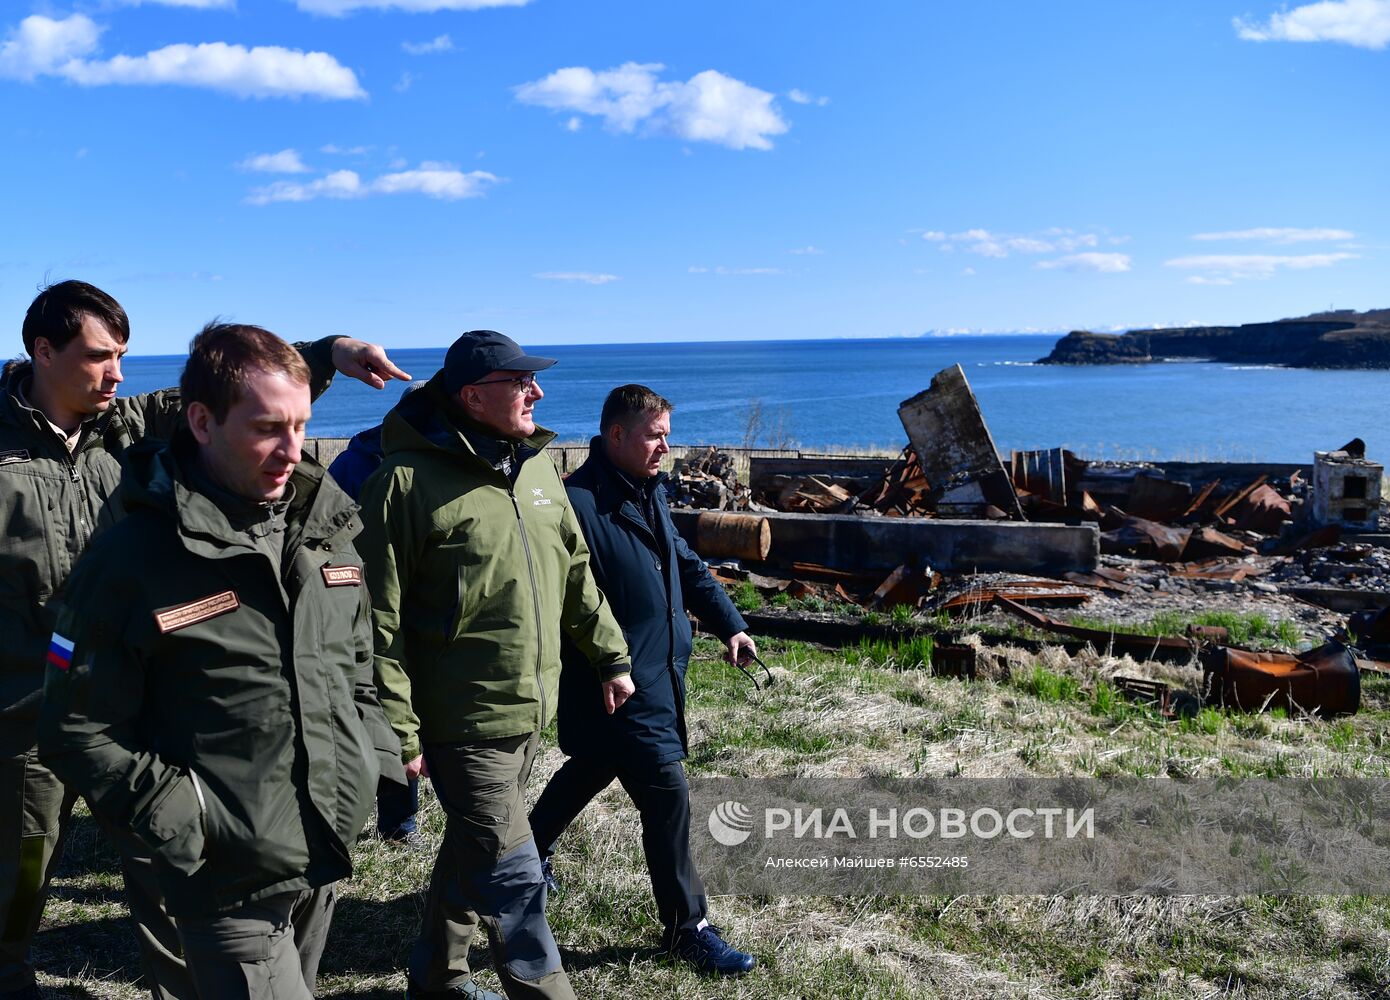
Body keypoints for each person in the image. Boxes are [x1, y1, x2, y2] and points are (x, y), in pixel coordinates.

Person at [0, 279, 408, 1000]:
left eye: (123, 355)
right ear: (42, 350)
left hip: (148, 696)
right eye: (99, 356)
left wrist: (334, 351)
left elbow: (236, 389)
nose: (118, 372)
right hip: (25, 707)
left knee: (171, 886)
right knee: (22, 872)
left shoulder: (123, 428)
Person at [356, 330, 631, 1000]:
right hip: (460, 721)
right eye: (520, 383)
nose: (537, 392)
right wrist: (398, 726)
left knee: (474, 847)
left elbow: (574, 571)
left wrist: (610, 656)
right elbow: (373, 621)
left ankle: (436, 975)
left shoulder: (536, 469)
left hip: (531, 707)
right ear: (474, 396)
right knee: (514, 876)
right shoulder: (403, 483)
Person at [528, 384, 759, 976]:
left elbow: (688, 566)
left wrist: (729, 624)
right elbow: (558, 599)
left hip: (660, 671)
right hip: (617, 680)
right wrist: (605, 662)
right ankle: (689, 928)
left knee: (594, 765)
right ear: (616, 436)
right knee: (668, 793)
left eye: (666, 434)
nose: (666, 446)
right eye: (655, 435)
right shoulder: (576, 503)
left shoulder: (648, 493)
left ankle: (527, 853)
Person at [328, 384, 427, 848]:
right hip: (360, 603)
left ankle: (403, 810)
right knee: (376, 705)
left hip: (424, 606)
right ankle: (395, 814)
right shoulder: (355, 464)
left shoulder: (436, 463)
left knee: (410, 705)